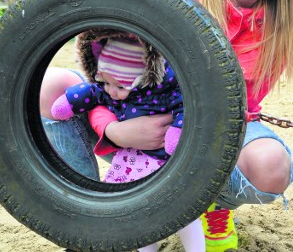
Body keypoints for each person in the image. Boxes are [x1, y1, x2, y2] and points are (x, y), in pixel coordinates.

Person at [40, 0, 293, 251]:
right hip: (133, 116)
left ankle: (212, 205)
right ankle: (91, 209)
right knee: (51, 86)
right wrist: (115, 129)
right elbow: (114, 74)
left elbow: (238, 111)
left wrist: (183, 139)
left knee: (270, 164)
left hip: (209, 136)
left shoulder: (280, 24)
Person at [48, 29, 204, 252]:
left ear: (142, 78)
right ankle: (146, 248)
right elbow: (91, 92)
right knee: (137, 211)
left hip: (167, 162)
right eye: (106, 82)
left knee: (181, 210)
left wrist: (176, 132)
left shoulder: (164, 92)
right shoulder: (110, 88)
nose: (112, 92)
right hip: (132, 159)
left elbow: (183, 107)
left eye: (120, 86)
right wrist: (70, 103)